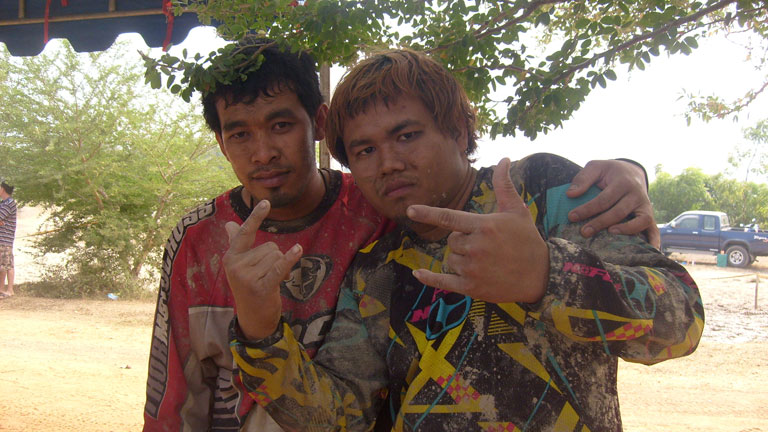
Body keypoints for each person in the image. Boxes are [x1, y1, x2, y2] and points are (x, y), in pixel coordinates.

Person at [142, 40, 658, 431]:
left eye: (407, 135)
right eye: (364, 150)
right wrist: (260, 334)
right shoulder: (379, 262)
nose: (388, 163)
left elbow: (676, 326)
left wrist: (548, 275)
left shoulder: (540, 190)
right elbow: (340, 414)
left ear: (458, 129)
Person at [0, 181, 16, 299]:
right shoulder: (4, 203)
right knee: (4, 265)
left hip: (5, 239)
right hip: (4, 239)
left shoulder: (9, 203)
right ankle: (2, 289)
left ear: (3, 189)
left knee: (7, 265)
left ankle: (9, 290)